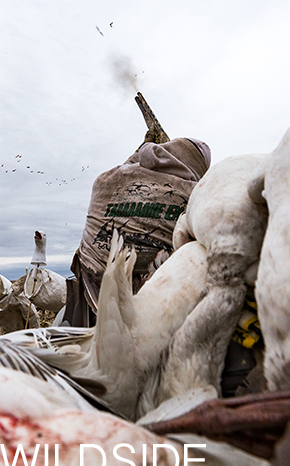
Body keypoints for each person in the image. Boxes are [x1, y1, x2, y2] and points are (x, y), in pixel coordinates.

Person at [62, 136, 211, 327]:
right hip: (153, 305)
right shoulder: (194, 196)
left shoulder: (105, 180)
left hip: (89, 291)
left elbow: (126, 170)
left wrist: (143, 150)